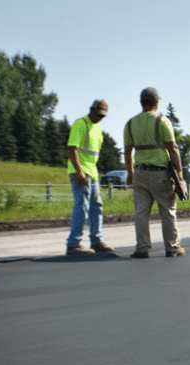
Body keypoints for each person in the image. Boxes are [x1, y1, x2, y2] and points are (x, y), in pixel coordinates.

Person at [124, 87, 185, 258]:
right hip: (161, 174)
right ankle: (172, 247)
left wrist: (130, 174)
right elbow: (172, 148)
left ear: (141, 102)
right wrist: (179, 173)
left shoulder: (130, 124)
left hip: (140, 174)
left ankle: (142, 248)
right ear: (157, 102)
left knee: (141, 213)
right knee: (168, 211)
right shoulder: (162, 121)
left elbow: (128, 151)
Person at [65, 99, 114, 255]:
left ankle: (97, 241)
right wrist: (79, 171)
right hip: (80, 172)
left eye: (103, 116)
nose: (100, 117)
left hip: (93, 173)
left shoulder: (98, 129)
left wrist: (94, 175)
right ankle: (74, 244)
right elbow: (72, 149)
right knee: (82, 206)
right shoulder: (81, 124)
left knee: (97, 207)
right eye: (98, 114)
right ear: (91, 110)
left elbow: (94, 155)